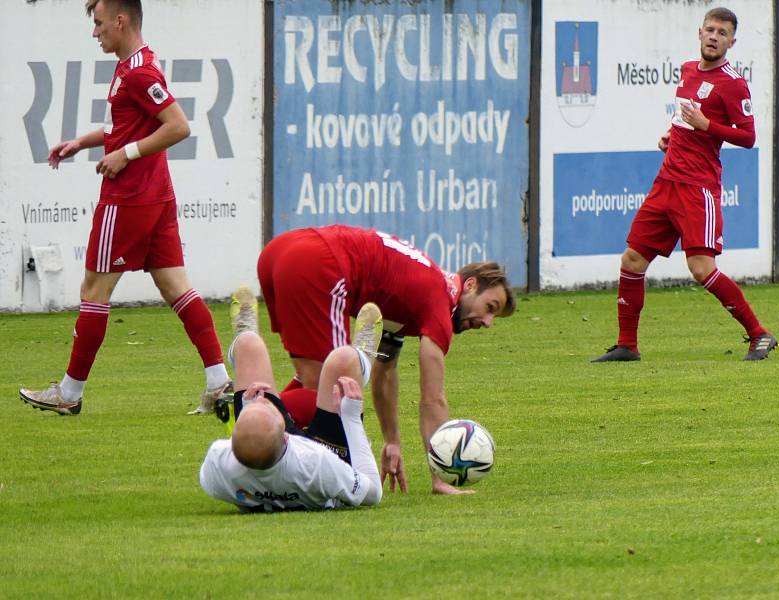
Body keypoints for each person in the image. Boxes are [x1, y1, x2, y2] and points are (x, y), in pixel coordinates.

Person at [19, 0, 230, 415]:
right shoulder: (132, 65)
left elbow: (179, 126)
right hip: (157, 197)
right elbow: (125, 128)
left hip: (129, 199)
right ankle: (219, 380)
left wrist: (126, 155)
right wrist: (82, 142)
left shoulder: (139, 71)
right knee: (175, 287)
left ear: (121, 20)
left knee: (93, 290)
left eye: (98, 24)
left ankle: (69, 393)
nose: (94, 32)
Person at [257, 224, 516, 495]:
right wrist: (440, 477)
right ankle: (249, 417)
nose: (487, 322)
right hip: (320, 263)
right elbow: (433, 398)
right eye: (490, 308)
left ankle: (261, 439)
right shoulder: (440, 302)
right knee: (336, 398)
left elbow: (386, 367)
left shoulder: (418, 290)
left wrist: (392, 441)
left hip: (282, 251)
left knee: (315, 383)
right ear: (470, 285)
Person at [592, 7, 777, 364]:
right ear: (700, 32)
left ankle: (760, 334)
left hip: (698, 187)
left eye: (722, 33)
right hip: (667, 181)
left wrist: (707, 124)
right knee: (631, 259)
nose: (714, 37)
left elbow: (748, 137)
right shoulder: (689, 70)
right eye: (710, 30)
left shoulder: (733, 83)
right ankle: (626, 345)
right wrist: (672, 133)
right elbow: (684, 115)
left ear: (731, 42)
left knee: (701, 268)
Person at [199, 296, 383, 512]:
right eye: (266, 405)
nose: (261, 398)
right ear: (287, 436)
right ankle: (363, 355)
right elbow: (373, 494)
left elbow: (246, 457)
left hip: (270, 456)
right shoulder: (319, 464)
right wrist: (351, 418)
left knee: (248, 344)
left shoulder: (217, 464)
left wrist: (249, 407)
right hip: (315, 468)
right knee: (343, 359)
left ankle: (244, 333)